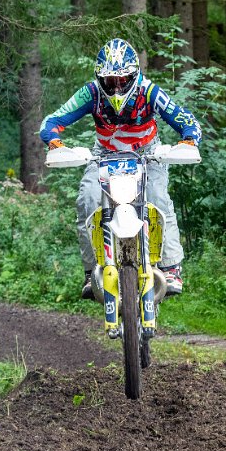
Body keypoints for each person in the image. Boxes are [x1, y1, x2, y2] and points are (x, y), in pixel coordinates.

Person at [40, 38, 202, 299]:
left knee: (158, 197)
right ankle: (91, 271)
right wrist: (56, 143)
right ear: (100, 78)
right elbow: (52, 121)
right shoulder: (91, 93)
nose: (116, 87)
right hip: (104, 154)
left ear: (133, 76)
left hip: (147, 153)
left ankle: (171, 267)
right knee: (87, 199)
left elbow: (186, 120)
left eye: (122, 80)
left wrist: (188, 141)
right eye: (110, 81)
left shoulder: (149, 91)